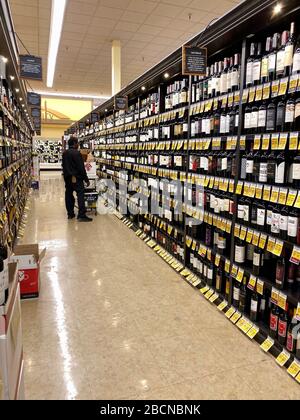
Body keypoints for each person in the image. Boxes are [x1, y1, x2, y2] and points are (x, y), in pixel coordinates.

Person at [62, 137, 93, 222]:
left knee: (68, 195)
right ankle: (81, 215)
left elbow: (63, 166)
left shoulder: (65, 153)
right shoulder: (77, 153)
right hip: (76, 178)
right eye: (77, 143)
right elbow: (81, 168)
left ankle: (70, 214)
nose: (78, 145)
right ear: (75, 143)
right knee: (80, 194)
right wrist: (86, 179)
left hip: (67, 177)